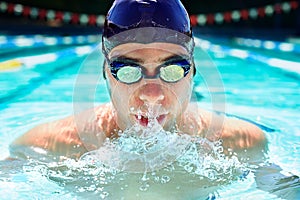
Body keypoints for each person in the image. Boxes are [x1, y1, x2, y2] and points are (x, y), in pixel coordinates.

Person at [9, 0, 266, 161]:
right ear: (106, 73)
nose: (152, 94)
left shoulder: (241, 143)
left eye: (173, 69)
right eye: (129, 70)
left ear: (194, 72)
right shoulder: (50, 146)